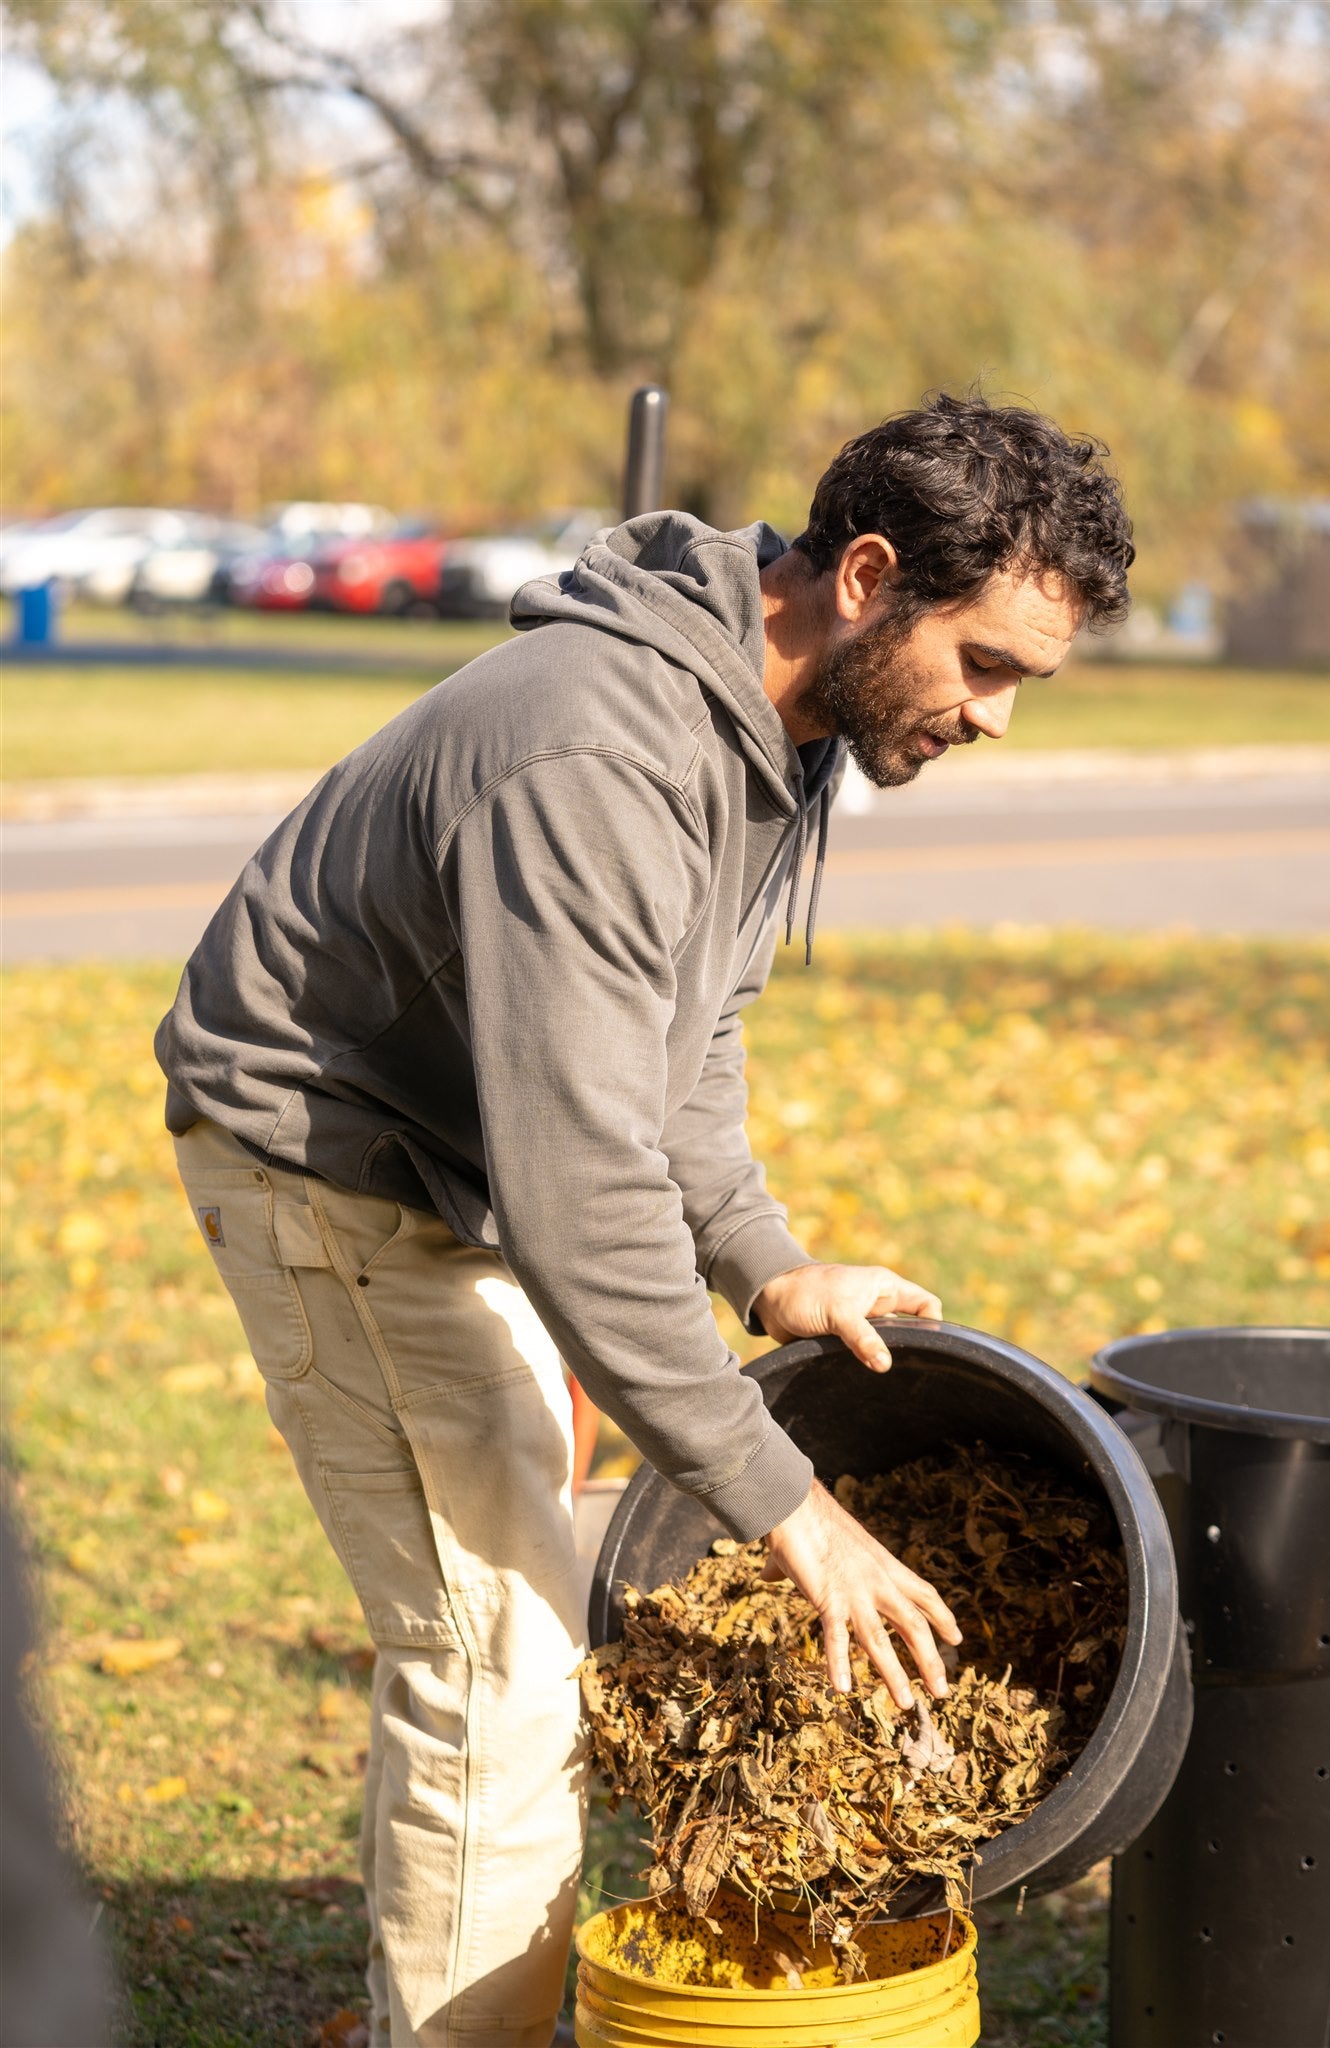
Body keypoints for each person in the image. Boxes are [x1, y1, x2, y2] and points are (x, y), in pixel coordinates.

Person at [155, 391, 1133, 2047]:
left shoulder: (786, 720)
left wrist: (765, 1266)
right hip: (328, 1156)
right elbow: (583, 1191)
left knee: (519, 1567)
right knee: (500, 1656)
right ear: (865, 576)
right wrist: (792, 1511)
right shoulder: (601, 751)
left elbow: (682, 1039)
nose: (995, 722)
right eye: (984, 668)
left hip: (466, 1152)